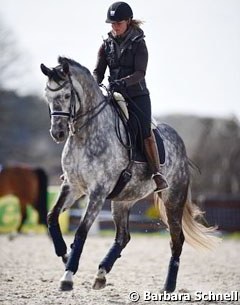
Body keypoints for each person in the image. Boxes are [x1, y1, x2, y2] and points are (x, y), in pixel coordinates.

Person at [93, 1, 168, 192]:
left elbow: (140, 73)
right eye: (112, 24)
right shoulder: (106, 45)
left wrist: (123, 82)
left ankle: (157, 173)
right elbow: (98, 72)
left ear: (128, 21)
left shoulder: (139, 44)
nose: (114, 27)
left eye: (118, 23)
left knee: (144, 131)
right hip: (113, 94)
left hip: (137, 94)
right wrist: (93, 83)